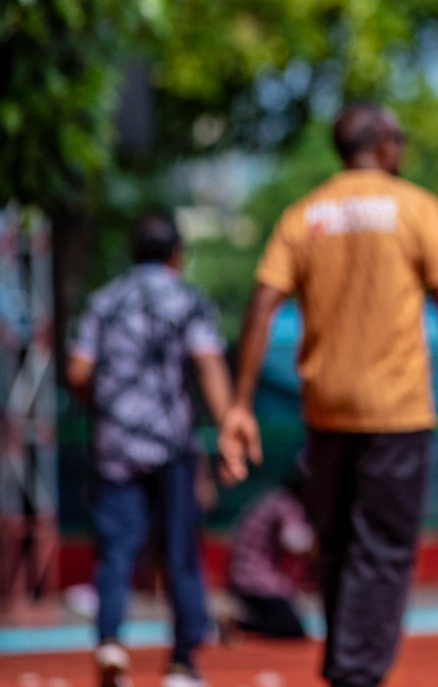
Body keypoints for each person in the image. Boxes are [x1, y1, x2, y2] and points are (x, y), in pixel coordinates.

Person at [217, 102, 438, 687]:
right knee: (386, 549)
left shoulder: (304, 215)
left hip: (325, 413)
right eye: (400, 138)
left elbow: (260, 308)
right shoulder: (416, 208)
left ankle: (343, 666)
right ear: (382, 144)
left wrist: (240, 404)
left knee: (337, 544)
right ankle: (357, 674)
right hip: (396, 413)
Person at [65, 211, 232, 687]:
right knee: (180, 553)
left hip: (115, 446)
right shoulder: (188, 300)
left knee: (115, 552)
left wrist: (111, 404)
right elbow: (208, 364)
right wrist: (229, 426)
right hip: (171, 447)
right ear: (176, 254)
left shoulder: (105, 301)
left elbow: (78, 374)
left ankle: (111, 641)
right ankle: (182, 661)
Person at [224, 461, 315, 640]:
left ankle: (241, 622)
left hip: (241, 575)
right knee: (291, 628)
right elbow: (295, 542)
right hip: (255, 580)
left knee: (287, 622)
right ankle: (240, 623)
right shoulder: (287, 505)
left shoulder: (273, 499)